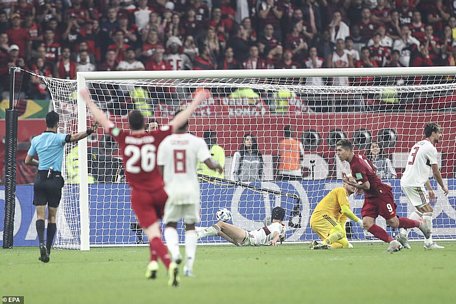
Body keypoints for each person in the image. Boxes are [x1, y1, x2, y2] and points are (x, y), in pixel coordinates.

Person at [80, 88, 210, 287]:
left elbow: (104, 121)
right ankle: (153, 264)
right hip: (160, 192)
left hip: (140, 195)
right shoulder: (155, 137)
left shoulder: (122, 137)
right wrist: (195, 102)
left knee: (153, 233)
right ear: (144, 123)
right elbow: (178, 121)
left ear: (129, 125)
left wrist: (88, 100)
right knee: (166, 226)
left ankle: (169, 264)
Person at [25, 111, 97, 263]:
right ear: (57, 123)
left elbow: (27, 160)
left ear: (46, 122)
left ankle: (41, 244)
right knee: (52, 217)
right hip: (54, 179)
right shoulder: (59, 138)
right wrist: (89, 131)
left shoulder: (36, 140)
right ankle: (49, 250)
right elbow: (75, 137)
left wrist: (40, 165)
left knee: (39, 215)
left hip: (41, 177)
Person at [157, 111, 223, 277]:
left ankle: (175, 252)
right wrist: (218, 166)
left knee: (171, 224)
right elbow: (209, 163)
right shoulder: (196, 142)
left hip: (172, 189)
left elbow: (160, 169)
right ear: (188, 124)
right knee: (190, 227)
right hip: (191, 190)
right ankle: (189, 266)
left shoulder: (165, 143)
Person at [336, 139, 430, 253]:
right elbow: (372, 172)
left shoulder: (356, 165)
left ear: (348, 150)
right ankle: (392, 242)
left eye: (339, 150)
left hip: (380, 194)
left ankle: (419, 224)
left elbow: (366, 185)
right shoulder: (360, 158)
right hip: (371, 196)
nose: (338, 153)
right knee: (367, 223)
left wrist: (351, 183)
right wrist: (358, 184)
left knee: (393, 222)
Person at [397, 123, 449, 250]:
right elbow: (436, 172)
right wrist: (443, 187)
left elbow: (421, 170)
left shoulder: (418, 145)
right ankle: (428, 242)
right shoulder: (431, 148)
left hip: (408, 181)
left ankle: (403, 234)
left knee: (421, 211)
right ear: (433, 133)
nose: (441, 135)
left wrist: (430, 188)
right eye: (439, 132)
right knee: (428, 211)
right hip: (413, 183)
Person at [310, 181, 363, 249]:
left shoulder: (345, 204)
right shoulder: (341, 190)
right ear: (344, 184)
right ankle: (323, 243)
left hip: (326, 221)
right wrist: (359, 221)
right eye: (350, 183)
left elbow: (341, 224)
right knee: (340, 232)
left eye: (355, 185)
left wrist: (346, 241)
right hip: (323, 216)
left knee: (344, 244)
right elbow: (345, 211)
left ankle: (317, 245)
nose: (353, 186)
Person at [197, 206, 286, 246]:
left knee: (221, 224)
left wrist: (274, 240)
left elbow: (276, 234)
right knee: (220, 231)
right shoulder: (279, 226)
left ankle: (198, 234)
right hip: (244, 242)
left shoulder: (276, 225)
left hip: (248, 237)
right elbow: (278, 235)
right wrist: (276, 239)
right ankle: (197, 230)